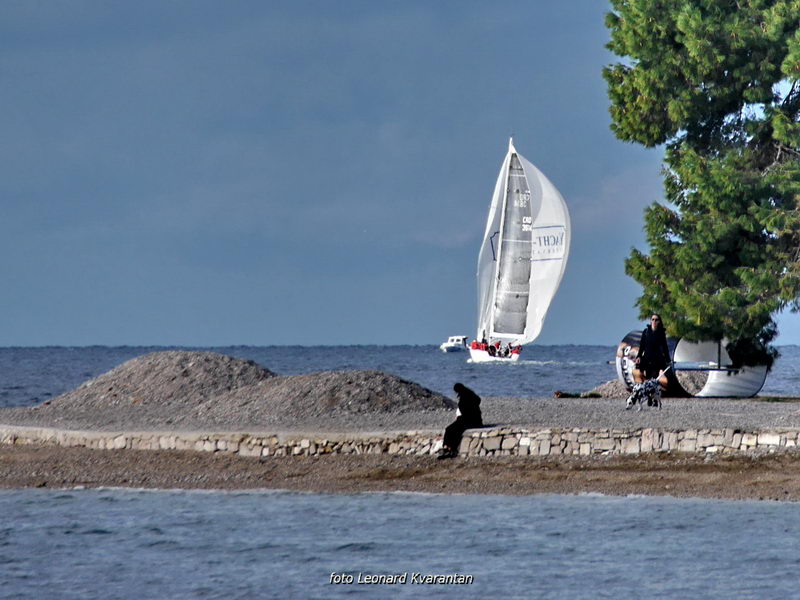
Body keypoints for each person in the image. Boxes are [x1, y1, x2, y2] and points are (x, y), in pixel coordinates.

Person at [438, 383, 483, 459]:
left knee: (453, 430)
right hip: (474, 420)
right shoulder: (470, 394)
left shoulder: (464, 397)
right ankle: (447, 447)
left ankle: (449, 448)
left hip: (469, 420)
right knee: (451, 429)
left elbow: (465, 411)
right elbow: (478, 400)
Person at [634, 313, 671, 391]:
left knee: (654, 378)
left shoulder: (661, 333)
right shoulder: (646, 332)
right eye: (653, 319)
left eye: (656, 320)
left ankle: (653, 393)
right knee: (647, 376)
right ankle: (646, 391)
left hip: (657, 359)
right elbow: (642, 346)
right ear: (650, 321)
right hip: (647, 358)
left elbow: (665, 347)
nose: (654, 321)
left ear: (659, 322)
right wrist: (639, 356)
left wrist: (668, 360)